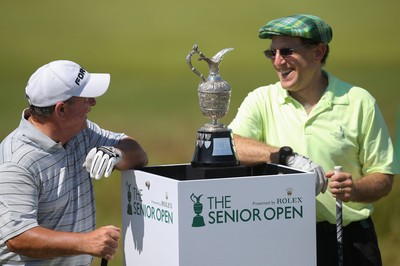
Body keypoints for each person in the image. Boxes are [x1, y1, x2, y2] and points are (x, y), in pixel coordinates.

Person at [228, 14, 399, 266]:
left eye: (286, 51)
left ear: (318, 52)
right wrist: (287, 156)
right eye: (271, 52)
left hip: (351, 240)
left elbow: (383, 178)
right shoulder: (261, 99)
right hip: (282, 238)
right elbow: (231, 145)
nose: (277, 61)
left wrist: (355, 190)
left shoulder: (359, 102)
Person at [0, 60, 148, 265]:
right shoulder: (17, 162)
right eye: (86, 98)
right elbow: (18, 238)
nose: (93, 102)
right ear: (61, 110)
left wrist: (117, 153)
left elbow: (139, 154)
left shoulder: (80, 133)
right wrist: (86, 242)